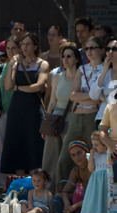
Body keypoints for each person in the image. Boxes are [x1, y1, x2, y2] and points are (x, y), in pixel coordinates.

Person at [56, 36, 105, 188]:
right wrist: (92, 97)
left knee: (94, 159)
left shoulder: (107, 70)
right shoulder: (82, 69)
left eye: (93, 48)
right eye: (87, 48)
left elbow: (100, 99)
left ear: (102, 50)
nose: (89, 51)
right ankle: (62, 195)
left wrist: (83, 100)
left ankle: (90, 195)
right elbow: (73, 95)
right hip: (76, 118)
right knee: (64, 159)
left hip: (93, 117)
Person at [0, 32, 49, 176]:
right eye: (22, 44)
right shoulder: (17, 63)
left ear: (35, 46)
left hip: (33, 109)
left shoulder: (42, 63)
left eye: (28, 44)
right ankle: (19, 183)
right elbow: (9, 85)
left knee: (33, 144)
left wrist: (19, 88)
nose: (24, 47)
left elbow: (39, 86)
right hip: (16, 108)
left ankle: (35, 181)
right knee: (16, 143)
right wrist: (11, 64)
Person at [41, 43, 82, 193]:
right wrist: (46, 123)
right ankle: (46, 192)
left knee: (67, 158)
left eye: (69, 56)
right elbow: (52, 102)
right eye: (63, 56)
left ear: (76, 59)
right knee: (50, 158)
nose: (65, 59)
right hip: (55, 120)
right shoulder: (57, 77)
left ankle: (66, 191)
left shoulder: (82, 76)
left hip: (72, 120)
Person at [0, 35, 20, 192]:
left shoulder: (22, 66)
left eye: (13, 48)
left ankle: (17, 183)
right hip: (4, 111)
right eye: (8, 48)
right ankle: (0, 184)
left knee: (18, 148)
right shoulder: (1, 68)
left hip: (19, 112)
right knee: (2, 148)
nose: (10, 51)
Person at [50, 140, 91, 213]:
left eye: (79, 153)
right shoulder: (76, 170)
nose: (77, 157)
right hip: (81, 204)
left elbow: (95, 196)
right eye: (73, 155)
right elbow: (65, 191)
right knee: (55, 199)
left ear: (86, 152)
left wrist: (74, 207)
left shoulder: (93, 167)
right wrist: (67, 204)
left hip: (93, 202)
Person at [79, 131, 108, 213]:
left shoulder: (109, 154)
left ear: (105, 145)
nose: (94, 147)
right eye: (93, 144)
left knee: (107, 202)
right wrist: (91, 156)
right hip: (96, 183)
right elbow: (91, 169)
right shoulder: (94, 155)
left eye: (97, 145)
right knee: (96, 202)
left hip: (107, 182)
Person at [98, 95, 117, 213]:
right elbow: (102, 131)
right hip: (114, 155)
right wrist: (110, 144)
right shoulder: (111, 106)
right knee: (113, 194)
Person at [89, 37, 117, 127]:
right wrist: (105, 70)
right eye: (108, 49)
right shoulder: (105, 72)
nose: (110, 52)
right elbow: (93, 95)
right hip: (102, 118)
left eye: (114, 49)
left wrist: (104, 99)